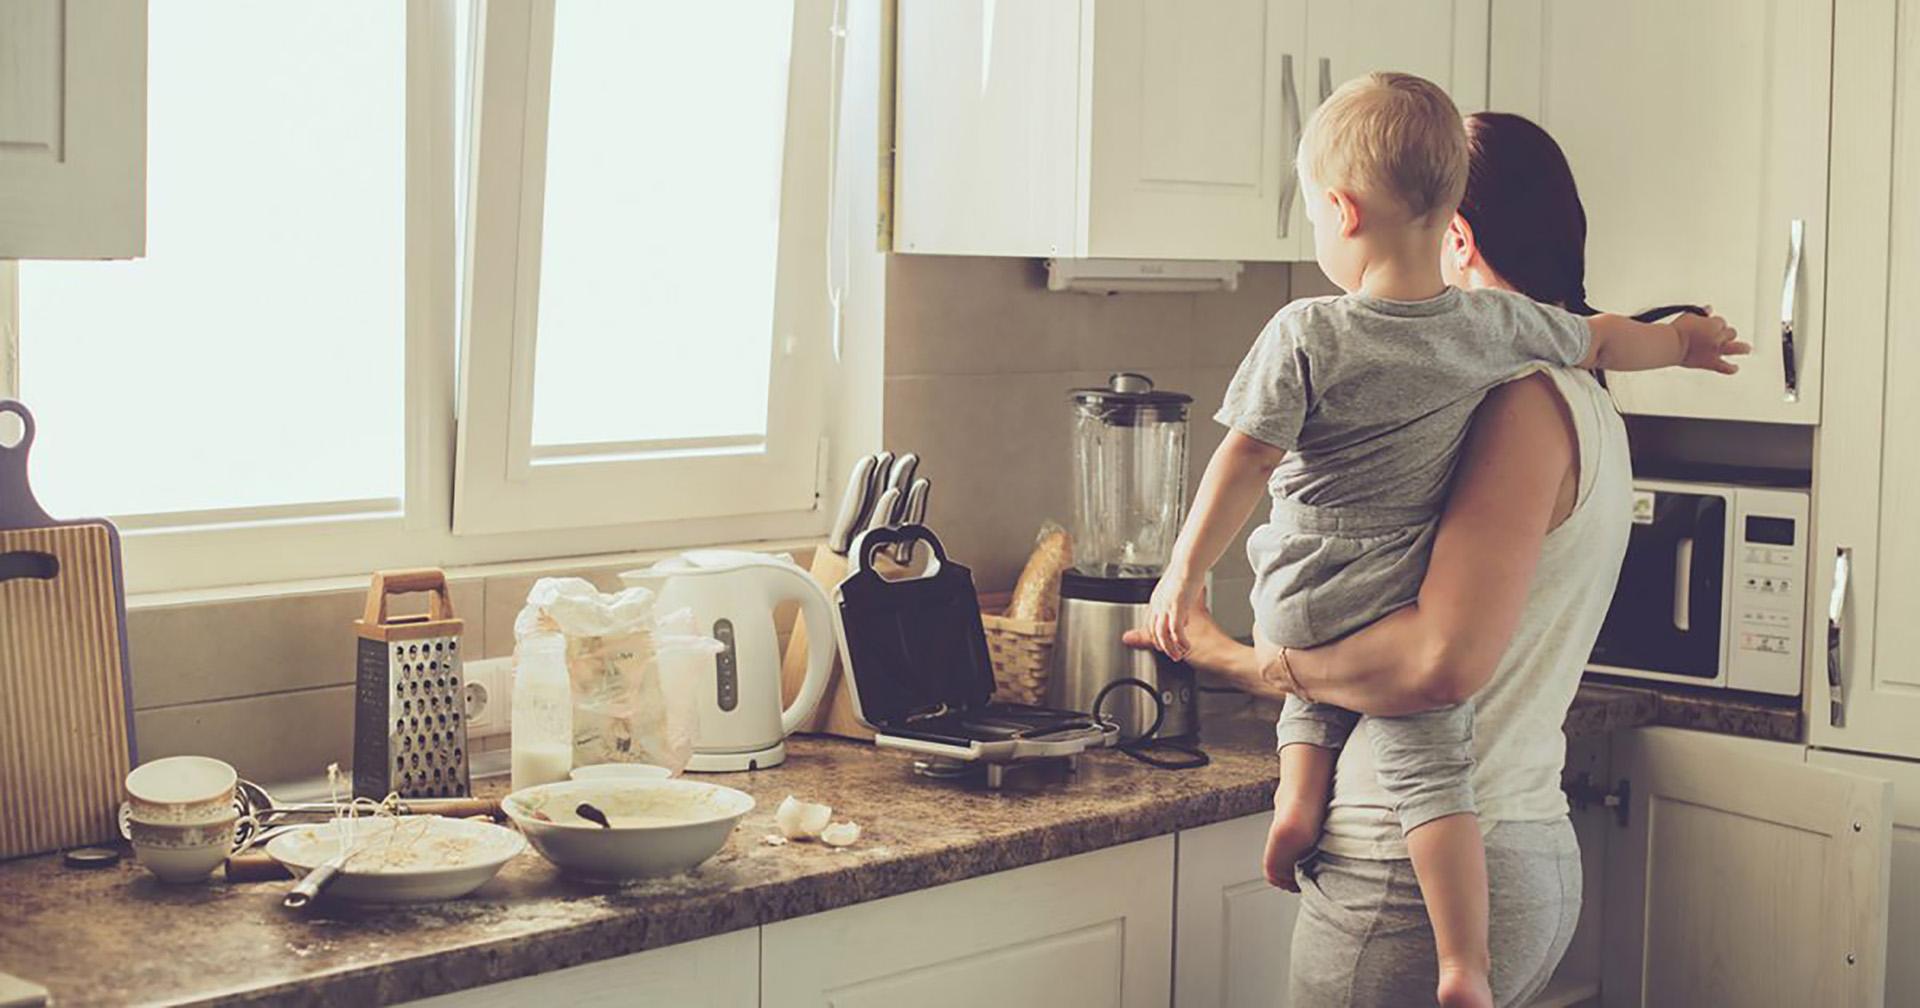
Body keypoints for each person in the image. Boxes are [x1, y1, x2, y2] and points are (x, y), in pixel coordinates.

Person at [1143, 78, 1745, 1008]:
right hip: (1522, 846)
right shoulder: (1559, 379)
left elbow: (1433, 667)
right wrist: (1683, 339)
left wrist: (1254, 647)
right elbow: (1612, 338)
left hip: (1411, 869)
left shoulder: (1515, 400)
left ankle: (1299, 813)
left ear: (1457, 233)